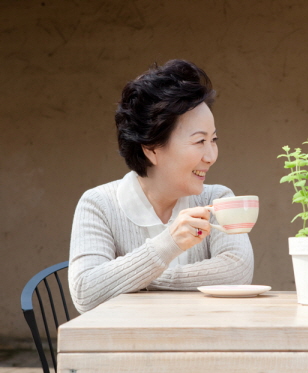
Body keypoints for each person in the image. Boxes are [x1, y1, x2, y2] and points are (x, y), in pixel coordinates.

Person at [69, 60, 253, 313]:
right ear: (153, 149)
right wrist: (168, 244)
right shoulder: (99, 204)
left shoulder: (218, 198)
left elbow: (237, 271)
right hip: (126, 348)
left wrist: (140, 281)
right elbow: (86, 293)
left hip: (202, 345)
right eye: (200, 141)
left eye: (214, 140)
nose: (211, 156)